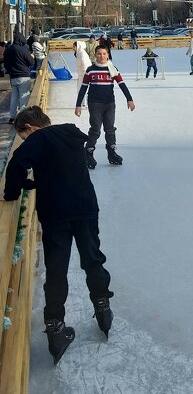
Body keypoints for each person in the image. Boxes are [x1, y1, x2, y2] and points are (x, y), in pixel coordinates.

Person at [4, 106, 114, 364]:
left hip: (55, 214)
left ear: (30, 128)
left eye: (23, 137)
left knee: (56, 270)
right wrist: (34, 182)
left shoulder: (39, 138)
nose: (25, 141)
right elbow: (58, 169)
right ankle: (102, 307)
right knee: (92, 259)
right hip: (85, 208)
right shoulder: (70, 135)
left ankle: (55, 326)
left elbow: (17, 164)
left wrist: (11, 193)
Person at [75, 45, 135, 167]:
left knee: (110, 129)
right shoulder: (90, 70)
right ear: (95, 55)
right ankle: (89, 153)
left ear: (108, 55)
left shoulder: (112, 69)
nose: (101, 56)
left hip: (109, 104)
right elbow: (83, 88)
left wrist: (129, 99)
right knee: (95, 129)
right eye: (99, 54)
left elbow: (122, 85)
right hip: (95, 103)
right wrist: (78, 105)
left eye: (104, 54)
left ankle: (111, 152)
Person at [4, 31, 34, 125]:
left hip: (13, 77)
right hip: (23, 76)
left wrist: (10, 72)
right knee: (23, 97)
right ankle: (23, 118)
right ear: (21, 40)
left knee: (14, 97)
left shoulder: (8, 49)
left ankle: (12, 117)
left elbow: (5, 64)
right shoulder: (22, 50)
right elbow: (31, 62)